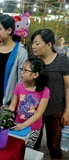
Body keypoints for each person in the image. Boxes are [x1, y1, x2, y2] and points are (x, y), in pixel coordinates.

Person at [31, 29, 69, 160]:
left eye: (37, 43)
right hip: (35, 110)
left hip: (56, 110)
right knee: (33, 143)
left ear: (48, 44)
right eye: (33, 43)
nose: (33, 46)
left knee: (54, 146)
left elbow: (68, 87)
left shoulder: (62, 61)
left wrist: (68, 111)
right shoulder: (34, 61)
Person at [8, 57, 50, 149]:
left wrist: (24, 125)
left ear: (35, 74)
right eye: (21, 69)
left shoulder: (45, 91)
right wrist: (7, 117)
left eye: (25, 70)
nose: (21, 72)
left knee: (27, 150)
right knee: (16, 148)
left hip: (33, 128)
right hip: (18, 124)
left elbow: (39, 113)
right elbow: (12, 105)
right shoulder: (19, 87)